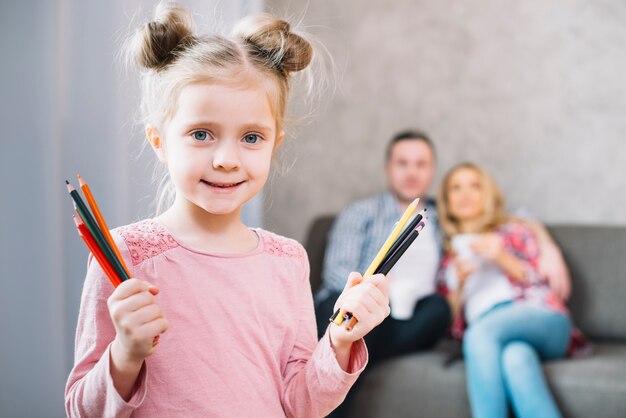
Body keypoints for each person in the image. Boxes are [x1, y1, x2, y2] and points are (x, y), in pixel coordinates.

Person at [65, 3, 390, 417]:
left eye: (252, 138)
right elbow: (81, 410)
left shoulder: (288, 260)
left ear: (276, 144)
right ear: (159, 141)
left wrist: (340, 342)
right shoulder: (124, 254)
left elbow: (301, 403)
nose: (227, 159)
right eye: (202, 134)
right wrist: (125, 355)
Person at [315, 131, 572, 365]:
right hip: (358, 306)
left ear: (432, 170)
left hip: (413, 316)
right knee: (362, 320)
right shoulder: (362, 212)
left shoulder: (440, 215)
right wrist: (373, 295)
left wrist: (550, 248)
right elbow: (337, 275)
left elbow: (509, 215)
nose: (411, 173)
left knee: (439, 309)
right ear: (388, 168)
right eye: (402, 163)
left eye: (421, 164)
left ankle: (366, 356)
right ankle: (354, 360)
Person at [437, 162, 579, 418]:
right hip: (497, 335)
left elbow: (552, 288)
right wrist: (458, 287)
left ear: (486, 193)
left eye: (474, 186)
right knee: (516, 359)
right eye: (456, 188)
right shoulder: (448, 257)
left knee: (480, 335)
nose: (466, 194)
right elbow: (446, 324)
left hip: (544, 318)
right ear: (447, 200)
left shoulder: (513, 231)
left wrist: (502, 258)